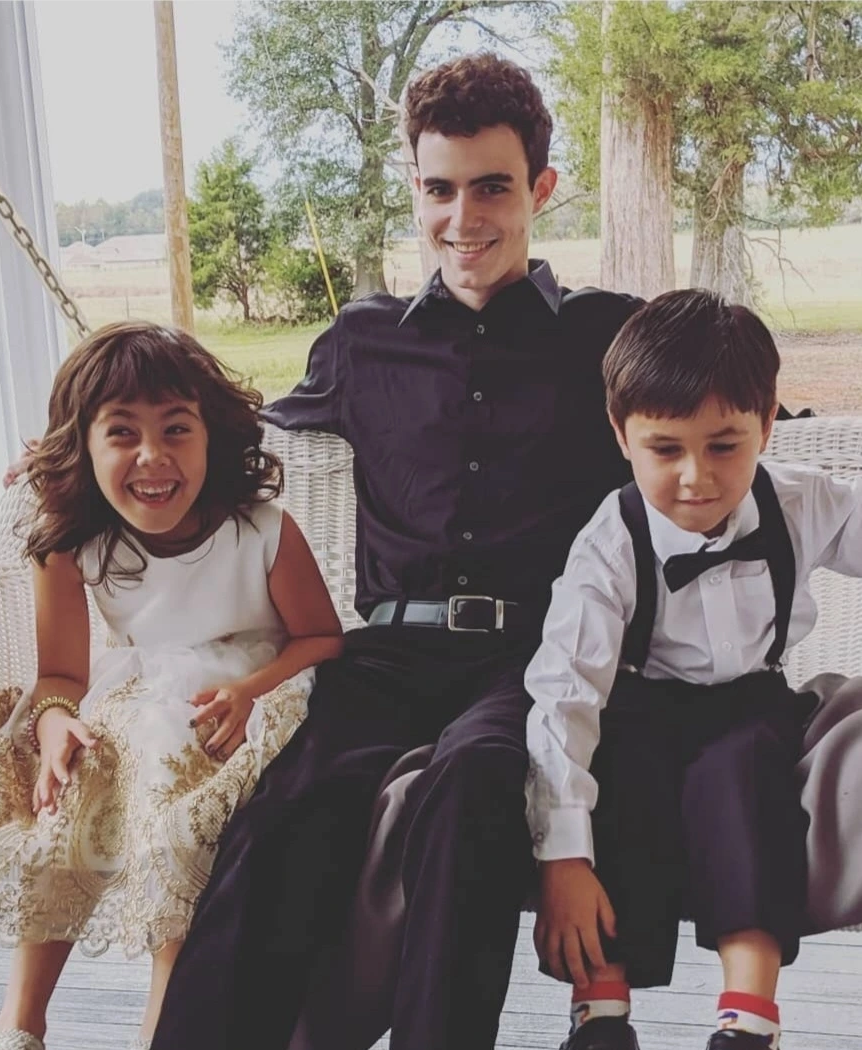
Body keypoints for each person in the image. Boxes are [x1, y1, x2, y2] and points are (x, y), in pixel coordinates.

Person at [146, 53, 642, 1050]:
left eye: (492, 188)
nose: (464, 218)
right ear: (414, 188)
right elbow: (227, 433)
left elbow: (725, 425)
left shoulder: (608, 338)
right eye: (440, 189)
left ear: (541, 189)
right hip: (386, 656)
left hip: (534, 660)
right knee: (284, 818)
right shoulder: (360, 342)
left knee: (470, 794)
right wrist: (79, 452)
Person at [0, 321, 344, 1050]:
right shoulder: (70, 544)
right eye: (122, 433)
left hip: (243, 706)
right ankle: (20, 1020)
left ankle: (164, 1029)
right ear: (84, 446)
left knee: (175, 832)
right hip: (137, 700)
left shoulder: (263, 532)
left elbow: (322, 638)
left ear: (211, 435)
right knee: (67, 788)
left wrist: (252, 690)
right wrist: (53, 722)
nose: (153, 456)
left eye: (176, 429)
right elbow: (61, 674)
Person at [525, 289, 862, 1050]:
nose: (696, 478)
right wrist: (563, 856)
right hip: (638, 705)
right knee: (625, 782)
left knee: (745, 784)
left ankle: (748, 1020)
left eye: (723, 446)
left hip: (750, 705)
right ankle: (601, 1011)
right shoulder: (608, 546)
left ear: (767, 424)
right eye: (665, 449)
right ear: (621, 434)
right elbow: (565, 694)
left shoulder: (807, 503)